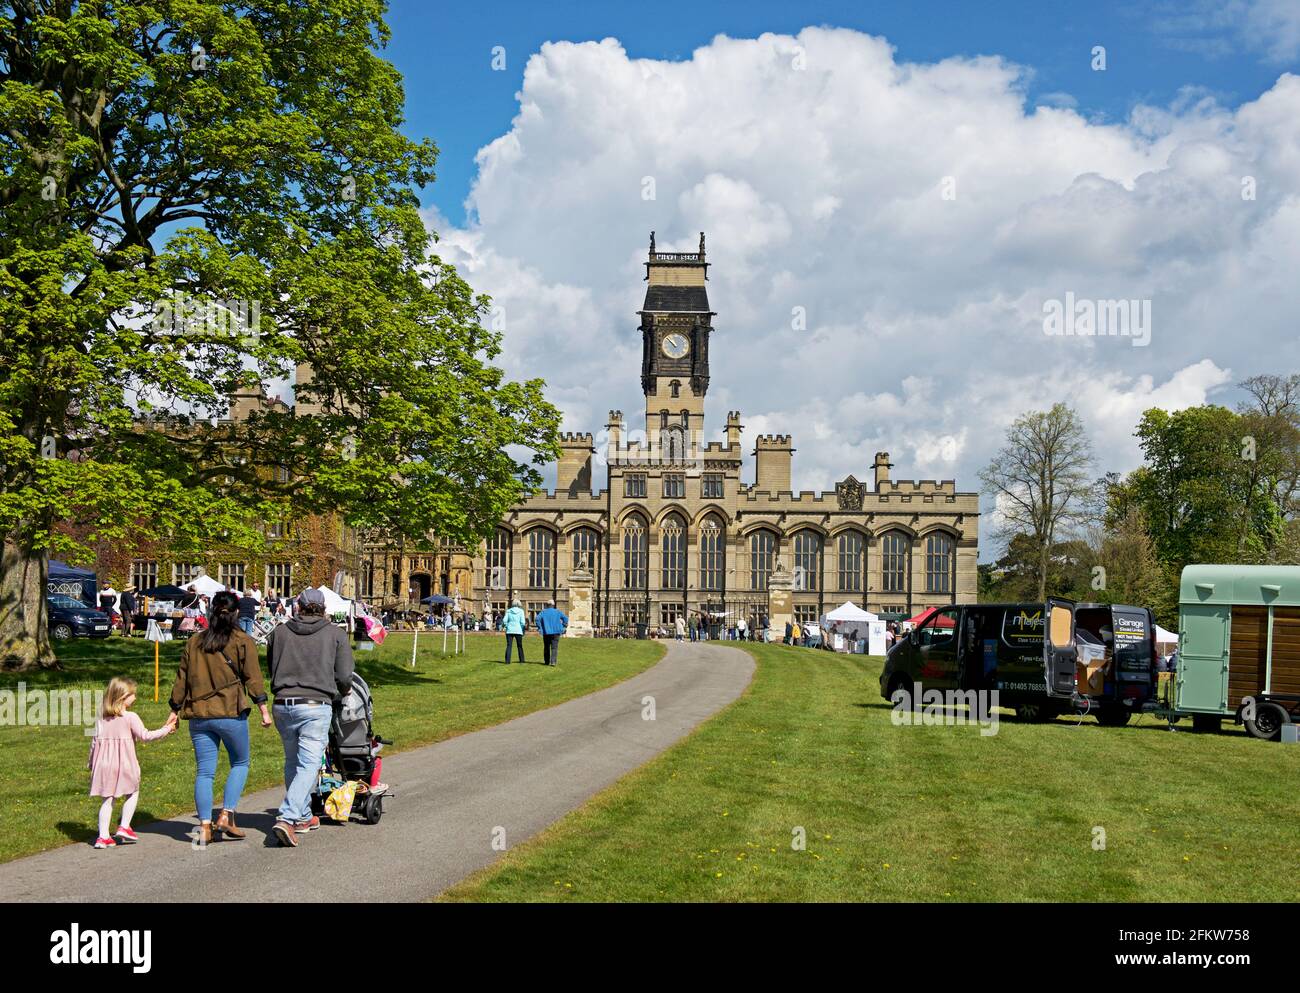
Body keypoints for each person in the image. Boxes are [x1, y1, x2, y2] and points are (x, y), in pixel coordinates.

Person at [165, 591, 270, 846]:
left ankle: (203, 826)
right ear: (236, 613)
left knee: (204, 772)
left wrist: (173, 710)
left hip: (199, 714)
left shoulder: (194, 642)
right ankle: (226, 814)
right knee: (241, 762)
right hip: (229, 711)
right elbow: (253, 677)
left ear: (211, 611)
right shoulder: (243, 641)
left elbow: (182, 679)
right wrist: (263, 708)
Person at [265, 588, 355, 847]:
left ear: (299, 607)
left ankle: (304, 816)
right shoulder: (335, 634)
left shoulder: (279, 632)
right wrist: (345, 691)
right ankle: (288, 816)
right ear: (323, 608)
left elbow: (272, 665)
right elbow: (344, 676)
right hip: (315, 704)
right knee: (309, 765)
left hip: (283, 703)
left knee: (293, 761)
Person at [88, 677, 174, 848]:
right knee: (133, 792)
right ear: (122, 697)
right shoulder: (130, 717)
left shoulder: (100, 718)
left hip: (104, 765)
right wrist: (167, 729)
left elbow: (94, 743)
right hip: (125, 763)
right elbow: (145, 736)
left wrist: (91, 763)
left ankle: (103, 837)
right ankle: (124, 826)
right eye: (132, 694)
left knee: (107, 799)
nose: (135, 697)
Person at [535, 599, 568, 666]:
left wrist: (540, 627)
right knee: (554, 647)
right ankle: (553, 662)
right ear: (553, 605)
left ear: (547, 605)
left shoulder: (543, 612)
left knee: (546, 647)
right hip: (556, 632)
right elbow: (565, 618)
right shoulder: (557, 611)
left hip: (546, 632)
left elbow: (537, 619)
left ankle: (546, 662)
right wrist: (563, 625)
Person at [502, 598, 527, 664]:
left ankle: (507, 661)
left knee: (509, 645)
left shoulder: (508, 611)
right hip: (518, 630)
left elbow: (504, 621)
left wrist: (507, 626)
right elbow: (523, 622)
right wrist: (521, 628)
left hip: (509, 630)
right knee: (519, 646)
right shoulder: (521, 611)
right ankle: (522, 660)